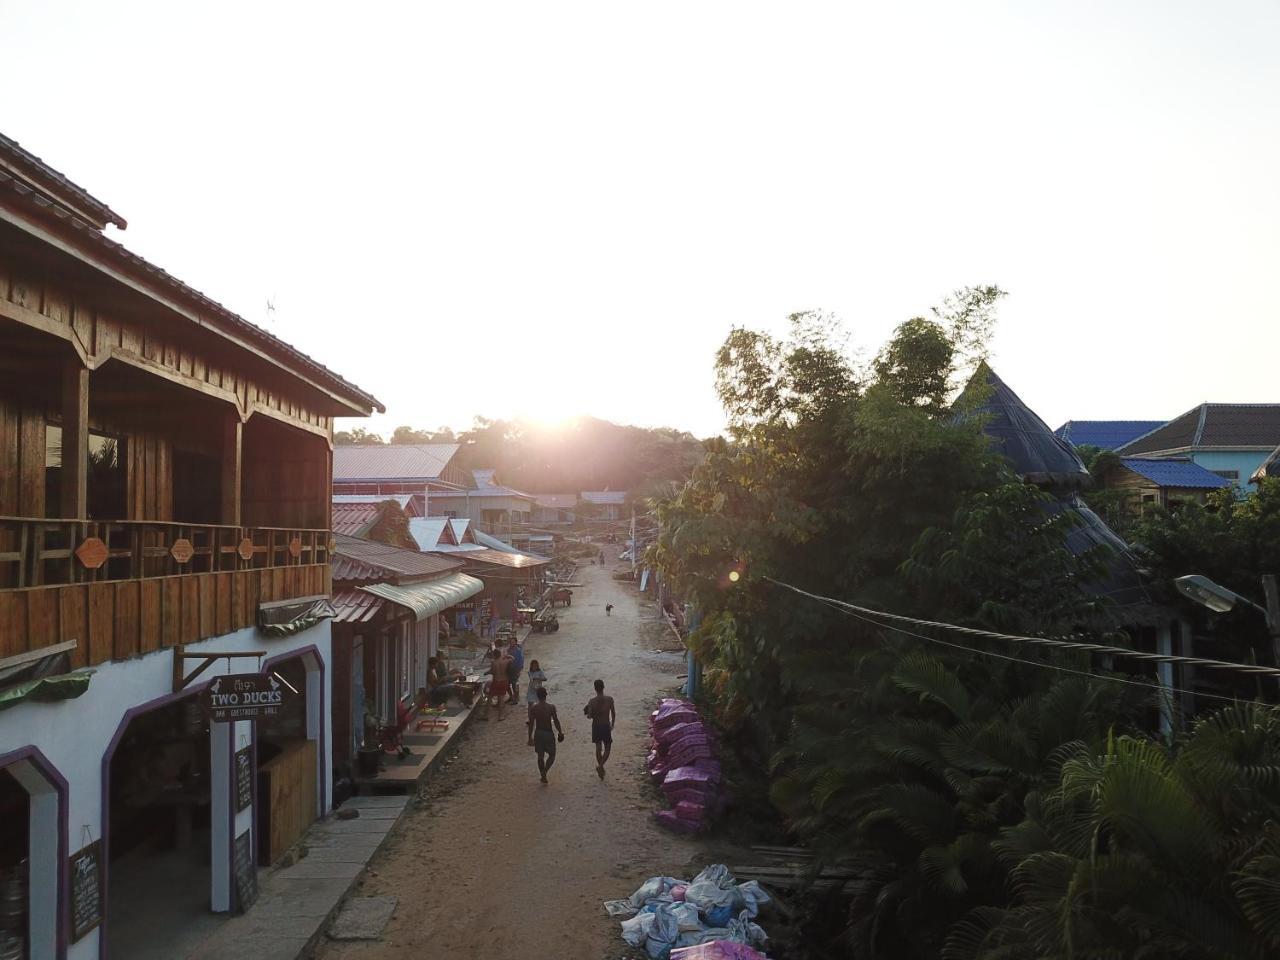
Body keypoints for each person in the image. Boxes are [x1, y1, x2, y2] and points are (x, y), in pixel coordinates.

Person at [527, 687, 564, 783]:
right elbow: (556, 720)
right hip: (548, 733)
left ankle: (543, 775)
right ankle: (545, 772)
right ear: (546, 695)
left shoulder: (534, 708)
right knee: (552, 755)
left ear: (537, 696)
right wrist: (560, 731)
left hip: (538, 733)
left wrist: (529, 737)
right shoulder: (551, 707)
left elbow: (531, 723)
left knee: (540, 756)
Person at [583, 679, 616, 779]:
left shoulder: (592, 701)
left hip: (596, 726)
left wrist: (589, 711)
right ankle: (600, 766)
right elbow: (613, 713)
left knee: (598, 747)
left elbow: (589, 716)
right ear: (603, 687)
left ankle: (601, 768)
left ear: (595, 688)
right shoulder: (609, 699)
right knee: (608, 747)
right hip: (605, 725)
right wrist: (612, 723)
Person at [486, 647, 511, 721]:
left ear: (494, 655)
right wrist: (506, 656)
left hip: (496, 681)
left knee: (489, 697)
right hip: (504, 681)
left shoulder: (494, 662)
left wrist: (486, 672)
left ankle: (486, 715)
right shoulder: (505, 661)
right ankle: (501, 716)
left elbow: (493, 671)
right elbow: (513, 659)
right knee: (501, 699)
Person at [505, 638, 524, 705]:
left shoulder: (518, 651)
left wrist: (519, 670)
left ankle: (516, 699)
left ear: (516, 642)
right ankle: (511, 697)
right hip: (508, 669)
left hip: (515, 669)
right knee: (506, 684)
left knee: (514, 684)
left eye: (513, 642)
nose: (512, 643)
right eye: (511, 642)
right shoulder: (508, 650)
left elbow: (521, 661)